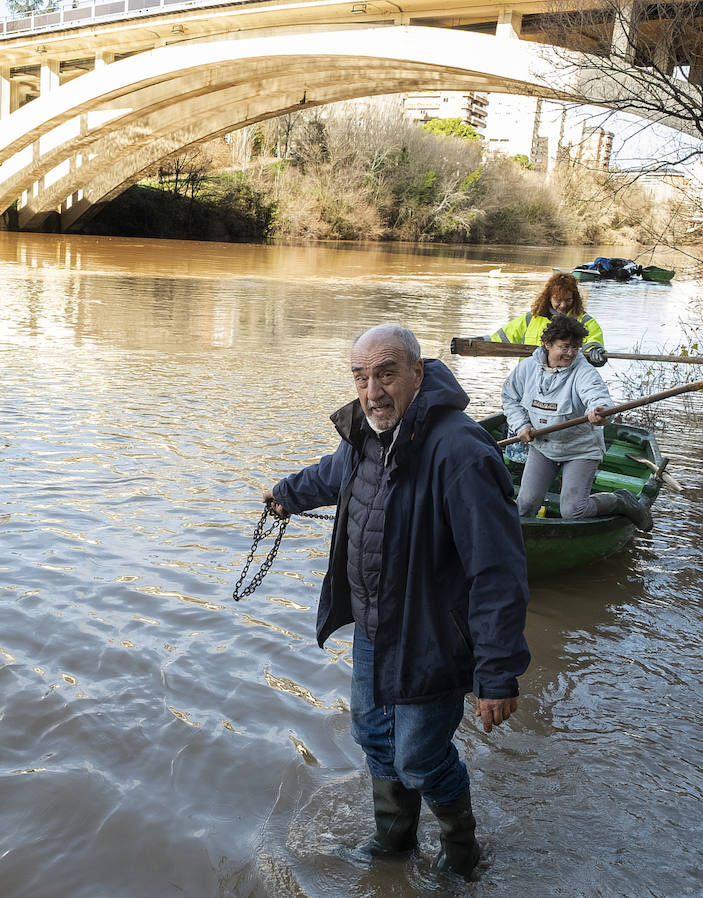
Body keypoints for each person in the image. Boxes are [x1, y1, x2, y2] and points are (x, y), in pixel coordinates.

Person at [261, 324, 530, 879]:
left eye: (385, 373)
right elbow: (333, 476)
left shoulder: (460, 449)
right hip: (373, 627)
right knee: (372, 736)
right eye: (361, 376)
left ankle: (462, 854)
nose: (372, 390)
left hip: (432, 636)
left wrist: (497, 673)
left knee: (419, 756)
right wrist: (286, 495)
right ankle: (394, 843)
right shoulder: (364, 433)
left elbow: (497, 570)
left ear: (417, 373)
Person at [502, 315, 652, 530]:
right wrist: (522, 426)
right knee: (524, 506)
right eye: (564, 347)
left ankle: (619, 500)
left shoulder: (584, 371)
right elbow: (509, 398)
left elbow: (596, 396)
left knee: (573, 511)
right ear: (547, 344)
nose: (570, 353)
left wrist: (600, 412)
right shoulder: (526, 369)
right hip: (543, 446)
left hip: (580, 448)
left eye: (575, 348)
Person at [488, 272, 608, 367]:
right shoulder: (530, 319)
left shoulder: (585, 322)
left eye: (567, 300)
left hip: (566, 383)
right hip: (529, 380)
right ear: (548, 298)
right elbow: (498, 339)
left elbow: (594, 343)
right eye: (558, 300)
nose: (563, 305)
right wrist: (475, 342)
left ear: (575, 298)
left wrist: (596, 353)